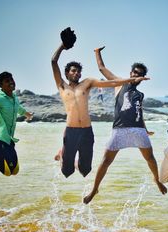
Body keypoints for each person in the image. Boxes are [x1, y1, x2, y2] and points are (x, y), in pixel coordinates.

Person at [51, 39, 149, 179]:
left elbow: (112, 82)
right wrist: (62, 45)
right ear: (67, 73)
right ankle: (62, 155)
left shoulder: (87, 83)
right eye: (74, 71)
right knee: (67, 172)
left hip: (86, 131)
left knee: (85, 170)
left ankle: (75, 161)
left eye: (79, 71)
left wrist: (129, 80)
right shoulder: (62, 86)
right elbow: (53, 62)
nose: (77, 73)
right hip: (71, 131)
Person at [83, 46, 167, 204]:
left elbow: (138, 112)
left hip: (138, 130)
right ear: (131, 73)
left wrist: (146, 129)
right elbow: (101, 68)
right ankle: (94, 189)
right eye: (134, 72)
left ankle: (157, 180)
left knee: (150, 158)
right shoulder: (118, 84)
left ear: (143, 77)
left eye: (139, 74)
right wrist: (97, 52)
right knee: (106, 161)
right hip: (119, 129)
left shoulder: (140, 94)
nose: (136, 75)